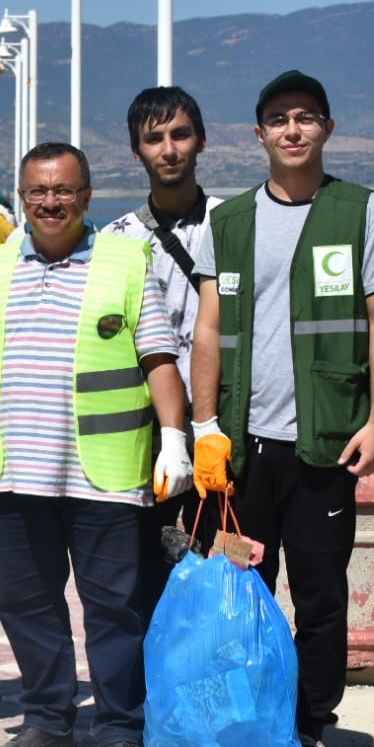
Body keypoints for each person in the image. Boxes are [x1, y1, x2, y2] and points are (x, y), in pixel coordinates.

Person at [0, 142, 192, 747]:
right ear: (21, 197)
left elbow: (158, 356)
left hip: (105, 471)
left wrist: (176, 438)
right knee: (26, 603)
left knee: (113, 607)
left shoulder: (128, 261)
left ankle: (120, 731)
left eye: (64, 191)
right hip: (14, 469)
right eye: (38, 192)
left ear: (87, 196)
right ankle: (48, 719)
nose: (50, 202)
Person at [191, 70, 374, 747]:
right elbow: (207, 327)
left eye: (306, 117)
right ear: (257, 134)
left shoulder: (360, 211)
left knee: (318, 600)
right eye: (278, 119)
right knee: (239, 589)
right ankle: (242, 724)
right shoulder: (226, 222)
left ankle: (308, 728)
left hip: (322, 449)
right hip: (240, 455)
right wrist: (203, 429)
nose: (292, 129)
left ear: (326, 128)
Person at [101, 86, 222, 624]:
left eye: (180, 134)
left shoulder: (234, 223)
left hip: (219, 429)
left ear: (200, 141)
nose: (169, 148)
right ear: (136, 152)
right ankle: (146, 695)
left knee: (212, 568)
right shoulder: (116, 240)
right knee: (139, 576)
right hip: (140, 437)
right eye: (154, 139)